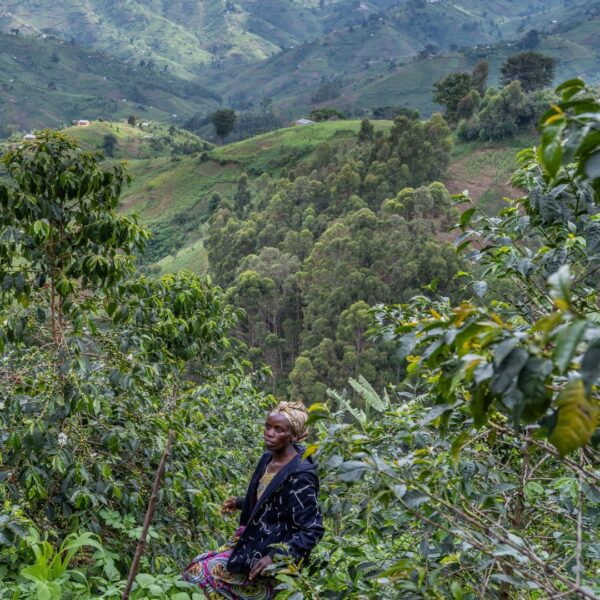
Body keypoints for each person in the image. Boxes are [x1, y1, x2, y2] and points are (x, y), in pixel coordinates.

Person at [183, 401, 324, 599]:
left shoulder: (301, 475)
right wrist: (241, 502)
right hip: (252, 540)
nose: (270, 433)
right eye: (268, 427)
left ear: (294, 435)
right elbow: (270, 497)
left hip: (270, 551)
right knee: (196, 565)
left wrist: (275, 558)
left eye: (278, 429)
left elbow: (313, 528)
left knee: (200, 572)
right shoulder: (268, 458)